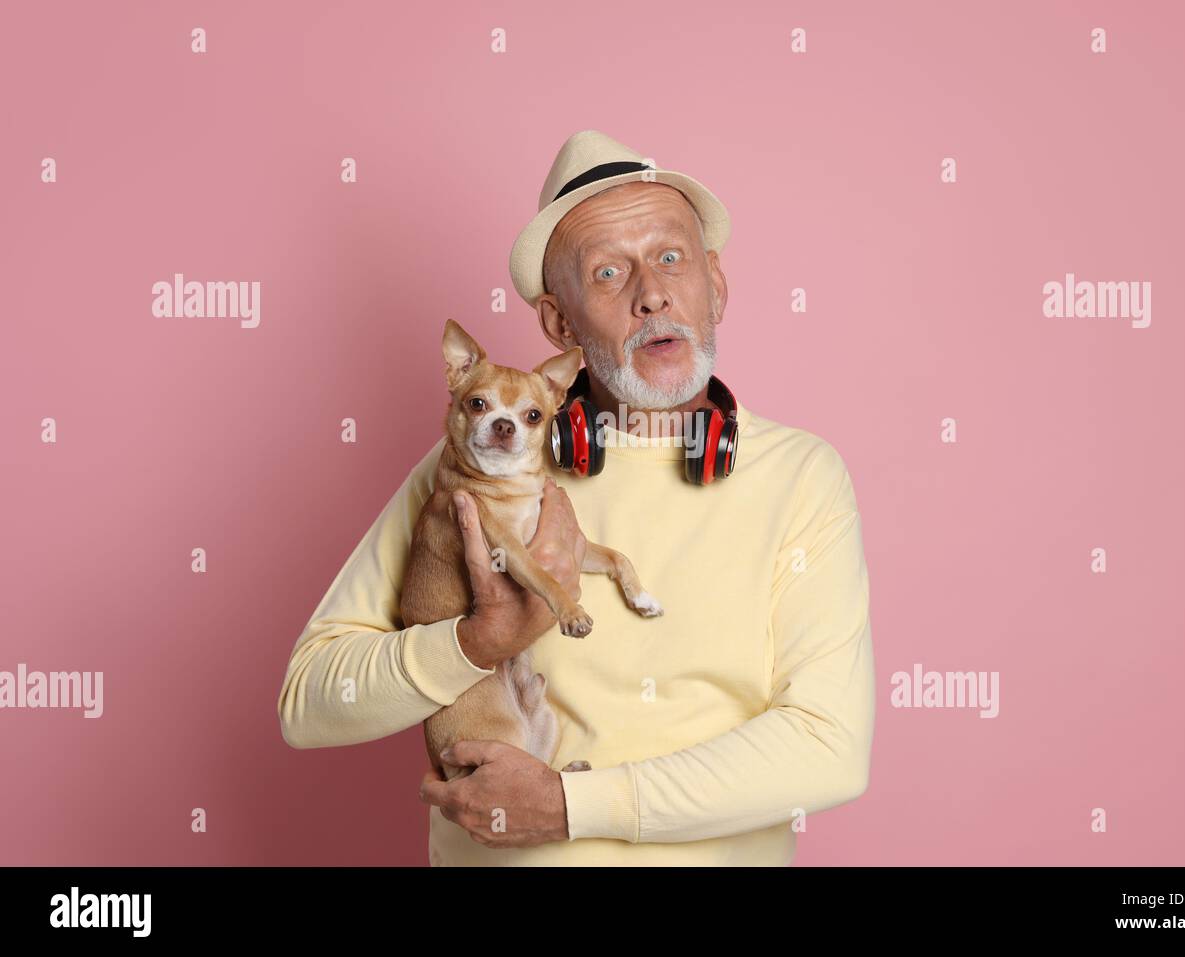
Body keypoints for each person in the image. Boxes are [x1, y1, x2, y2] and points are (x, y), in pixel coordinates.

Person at [277, 130, 875, 865]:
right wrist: (474, 642)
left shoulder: (801, 475)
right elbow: (308, 704)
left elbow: (829, 747)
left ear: (715, 284)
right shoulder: (470, 468)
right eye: (606, 272)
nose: (651, 292)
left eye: (671, 258)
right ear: (559, 324)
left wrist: (570, 805)